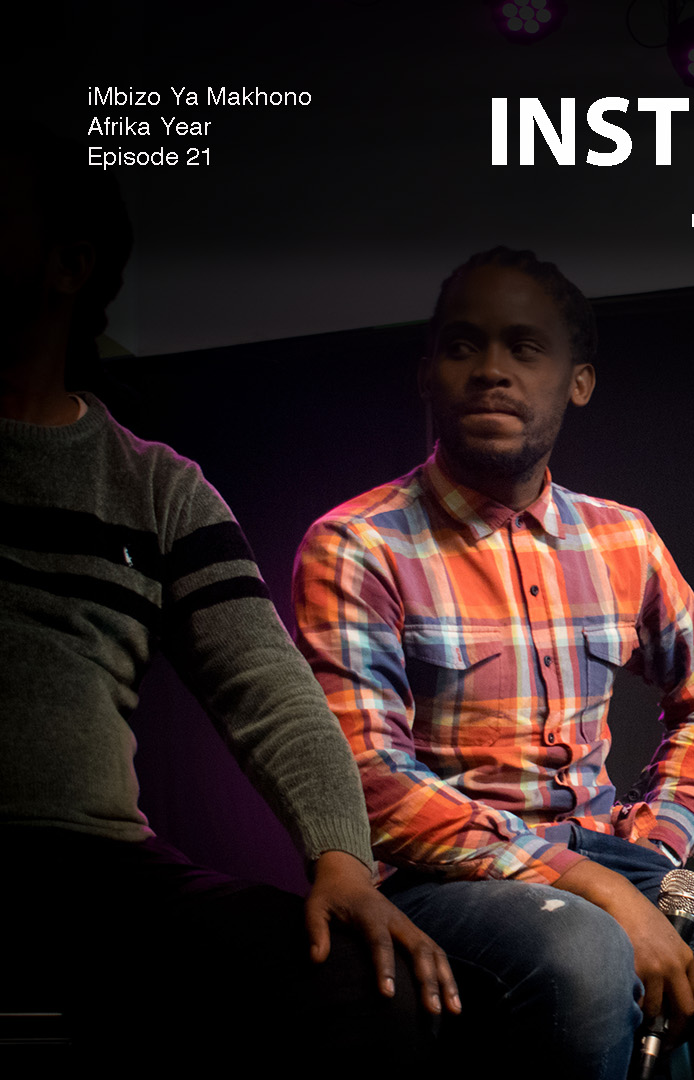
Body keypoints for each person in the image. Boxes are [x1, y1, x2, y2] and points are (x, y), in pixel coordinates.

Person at [292, 246, 694, 1080]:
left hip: (612, 858)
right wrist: (595, 889)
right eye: (463, 346)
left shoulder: (623, 538)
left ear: (578, 382)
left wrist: (658, 843)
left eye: (525, 347)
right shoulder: (357, 544)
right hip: (439, 880)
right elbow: (367, 779)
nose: (491, 369)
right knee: (584, 952)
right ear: (427, 374)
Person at [1, 130, 454, 1074]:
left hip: (94, 869)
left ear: (67, 266)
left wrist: (342, 862)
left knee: (369, 984)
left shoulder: (155, 488)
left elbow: (270, 692)